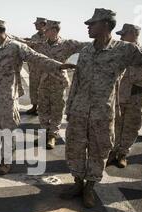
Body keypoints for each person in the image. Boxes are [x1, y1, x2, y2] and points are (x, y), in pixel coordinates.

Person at [60, 8, 142, 208]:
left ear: (106, 24)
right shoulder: (86, 51)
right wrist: (69, 108)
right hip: (79, 110)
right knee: (75, 148)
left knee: (99, 150)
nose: (88, 26)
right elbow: (77, 82)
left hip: (102, 111)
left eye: (93, 23)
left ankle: (90, 186)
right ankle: (78, 183)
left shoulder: (123, 50)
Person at [0, 17, 75, 175]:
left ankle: (7, 160)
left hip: (7, 97)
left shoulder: (15, 47)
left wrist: (59, 66)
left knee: (8, 129)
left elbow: (36, 58)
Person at [29, 20, 88, 149]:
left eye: (47, 30)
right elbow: (27, 45)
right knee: (43, 109)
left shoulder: (67, 44)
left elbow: (86, 46)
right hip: (43, 81)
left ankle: (52, 136)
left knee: (57, 109)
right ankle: (44, 134)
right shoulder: (41, 45)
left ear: (55, 30)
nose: (44, 32)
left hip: (58, 82)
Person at [107, 23, 142, 168]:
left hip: (136, 96)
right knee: (115, 124)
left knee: (131, 125)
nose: (120, 37)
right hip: (120, 94)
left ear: (133, 34)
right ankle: (113, 151)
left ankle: (123, 154)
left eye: (123, 34)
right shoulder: (119, 51)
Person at [26, 17, 47, 116]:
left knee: (44, 88)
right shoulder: (34, 36)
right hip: (34, 66)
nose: (35, 25)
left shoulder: (49, 36)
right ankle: (34, 106)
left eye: (37, 24)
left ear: (43, 24)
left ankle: (43, 108)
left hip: (44, 67)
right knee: (33, 87)